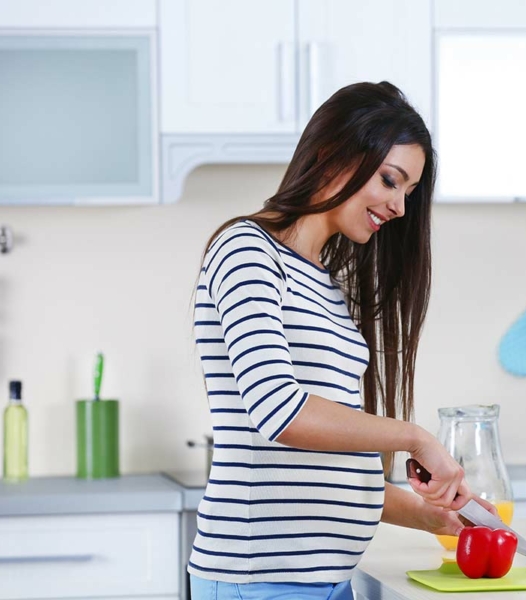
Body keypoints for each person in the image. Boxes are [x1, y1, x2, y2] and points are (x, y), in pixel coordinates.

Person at [188, 81, 492, 600]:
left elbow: (329, 470)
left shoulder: (324, 285)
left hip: (324, 583)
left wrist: (434, 518)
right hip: (259, 581)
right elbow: (278, 410)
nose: (399, 206)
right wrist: (415, 437)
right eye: (391, 180)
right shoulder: (246, 251)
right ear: (335, 154)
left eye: (408, 192)